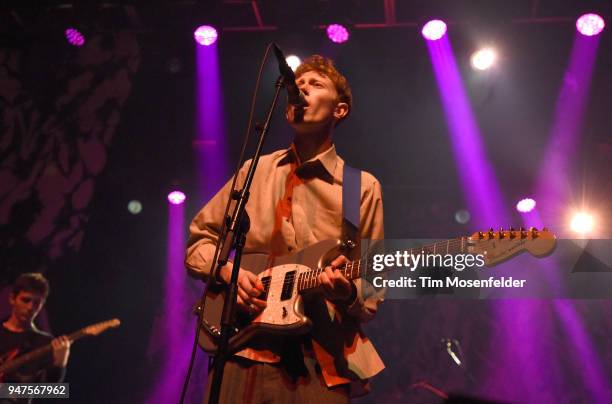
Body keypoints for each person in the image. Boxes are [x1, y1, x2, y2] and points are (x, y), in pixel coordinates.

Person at [186, 55, 385, 403]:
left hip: (319, 360)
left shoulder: (361, 188)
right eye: (299, 83)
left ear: (339, 110)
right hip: (240, 349)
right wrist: (226, 270)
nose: (302, 88)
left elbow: (371, 282)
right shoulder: (255, 170)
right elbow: (201, 241)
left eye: (315, 84)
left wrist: (345, 292)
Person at [0, 273, 71, 392]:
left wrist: (60, 363)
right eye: (25, 300)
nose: (29, 307)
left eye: (36, 303)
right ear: (12, 299)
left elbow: (53, 391)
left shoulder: (45, 342)